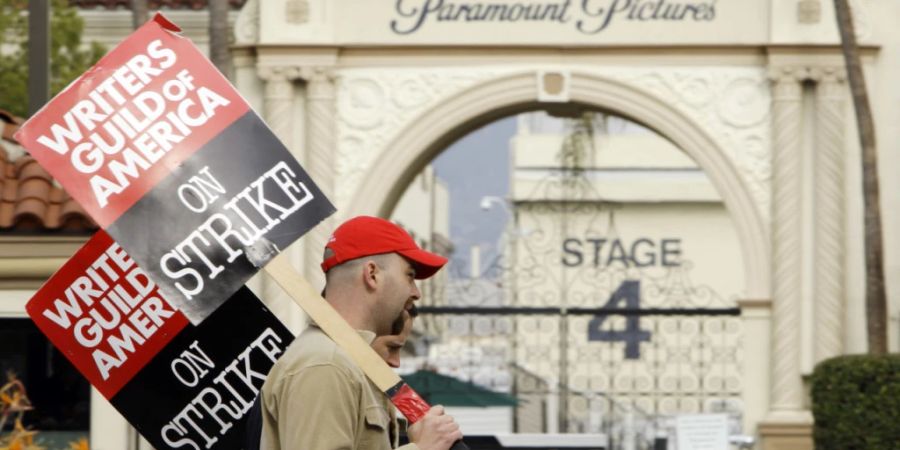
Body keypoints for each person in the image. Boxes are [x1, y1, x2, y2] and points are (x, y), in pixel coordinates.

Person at [259, 216, 462, 450]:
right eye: (409, 275)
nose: (416, 292)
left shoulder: (346, 362)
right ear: (372, 274)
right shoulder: (327, 363)